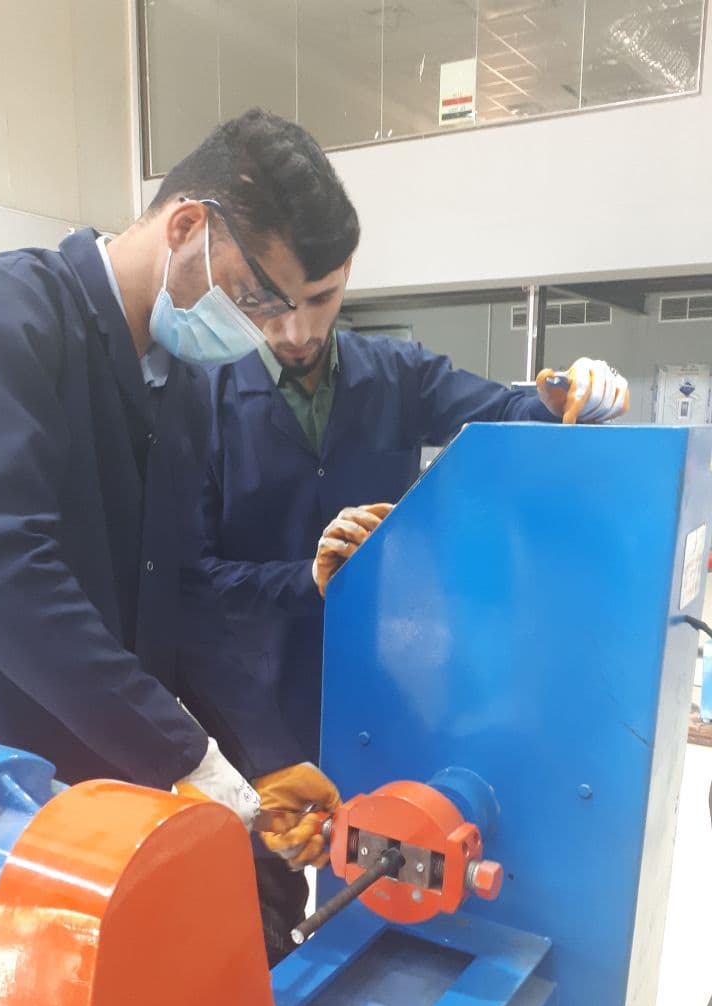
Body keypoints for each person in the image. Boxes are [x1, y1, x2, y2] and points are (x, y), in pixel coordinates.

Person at [0, 114, 350, 963]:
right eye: (258, 297)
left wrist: (261, 761)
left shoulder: (181, 383)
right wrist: (187, 755)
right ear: (188, 226)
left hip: (114, 769)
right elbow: (10, 575)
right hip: (19, 789)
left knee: (263, 915)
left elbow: (183, 596)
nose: (269, 330)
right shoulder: (16, 318)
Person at [202, 111, 630, 774]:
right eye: (273, 303)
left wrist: (563, 399)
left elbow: (506, 413)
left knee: (384, 831)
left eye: (320, 298)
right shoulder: (205, 395)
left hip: (383, 680)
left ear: (346, 270)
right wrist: (304, 579)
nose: (296, 331)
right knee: (270, 842)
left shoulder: (398, 375)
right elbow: (192, 576)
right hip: (250, 707)